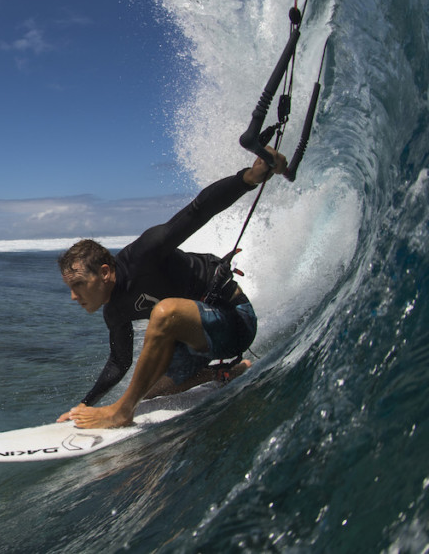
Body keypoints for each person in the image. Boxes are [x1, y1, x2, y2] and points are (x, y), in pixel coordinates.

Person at [56, 148, 287, 429]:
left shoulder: (145, 253)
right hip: (198, 343)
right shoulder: (114, 311)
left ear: (104, 272)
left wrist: (248, 177)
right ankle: (224, 373)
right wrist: (85, 403)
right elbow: (119, 363)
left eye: (78, 284)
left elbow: (199, 210)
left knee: (165, 313)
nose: (73, 295)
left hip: (235, 320)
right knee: (148, 391)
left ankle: (122, 412)